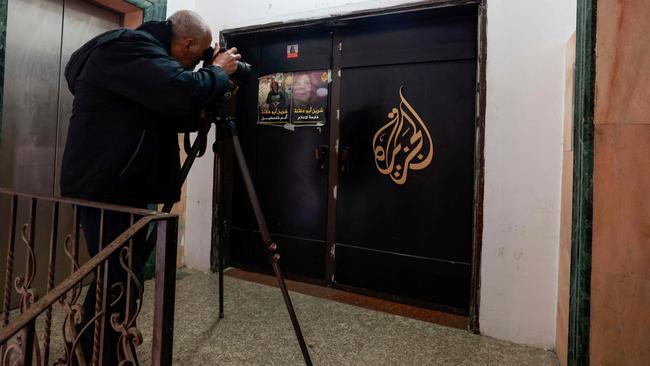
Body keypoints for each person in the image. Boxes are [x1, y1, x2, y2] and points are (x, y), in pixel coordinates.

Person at [60, 10, 241, 364]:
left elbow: (177, 109)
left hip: (123, 185)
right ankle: (104, 355)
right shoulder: (129, 48)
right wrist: (216, 72)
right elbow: (179, 92)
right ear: (188, 44)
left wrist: (214, 86)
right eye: (199, 53)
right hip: (108, 189)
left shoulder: (145, 60)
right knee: (120, 277)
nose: (197, 62)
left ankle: (88, 346)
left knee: (118, 275)